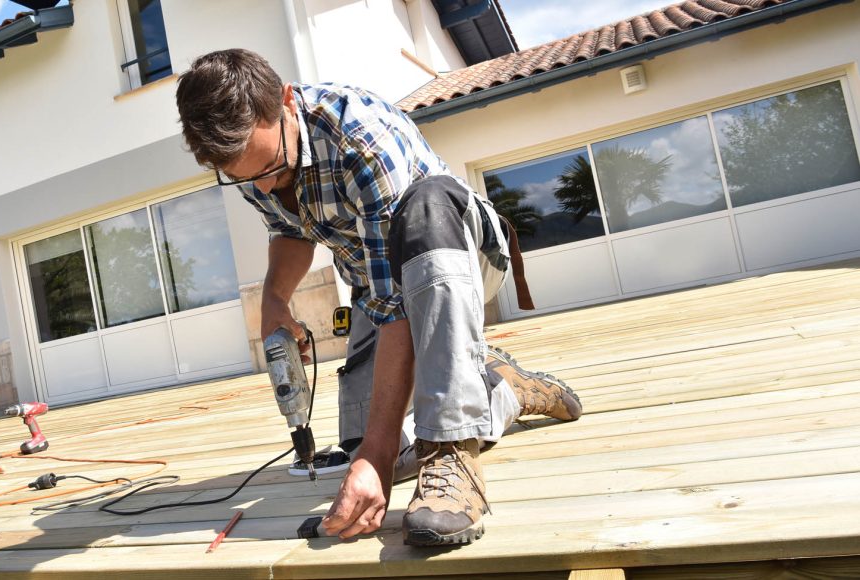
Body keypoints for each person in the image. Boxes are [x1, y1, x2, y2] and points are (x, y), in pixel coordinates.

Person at [175, 49, 582, 547]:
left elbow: (401, 306)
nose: (261, 183)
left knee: (426, 203)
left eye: (271, 166)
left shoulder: (358, 133)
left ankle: (453, 453)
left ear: (284, 102)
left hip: (459, 253)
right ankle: (503, 390)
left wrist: (378, 452)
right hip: (379, 287)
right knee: (364, 449)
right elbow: (290, 232)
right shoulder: (250, 155)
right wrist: (274, 299)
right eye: (244, 176)